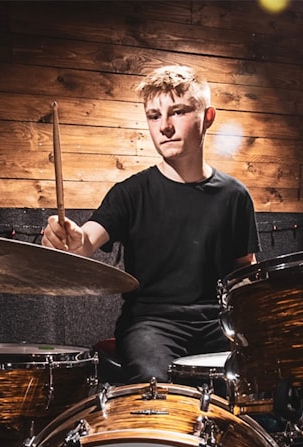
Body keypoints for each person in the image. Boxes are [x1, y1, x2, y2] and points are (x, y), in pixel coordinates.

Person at [42, 65, 260, 383]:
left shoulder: (235, 196)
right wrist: (72, 240)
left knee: (258, 379)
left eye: (178, 112)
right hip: (152, 325)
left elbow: (246, 272)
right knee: (154, 382)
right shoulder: (130, 193)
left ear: (208, 117)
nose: (165, 127)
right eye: (154, 116)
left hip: (218, 323)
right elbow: (87, 239)